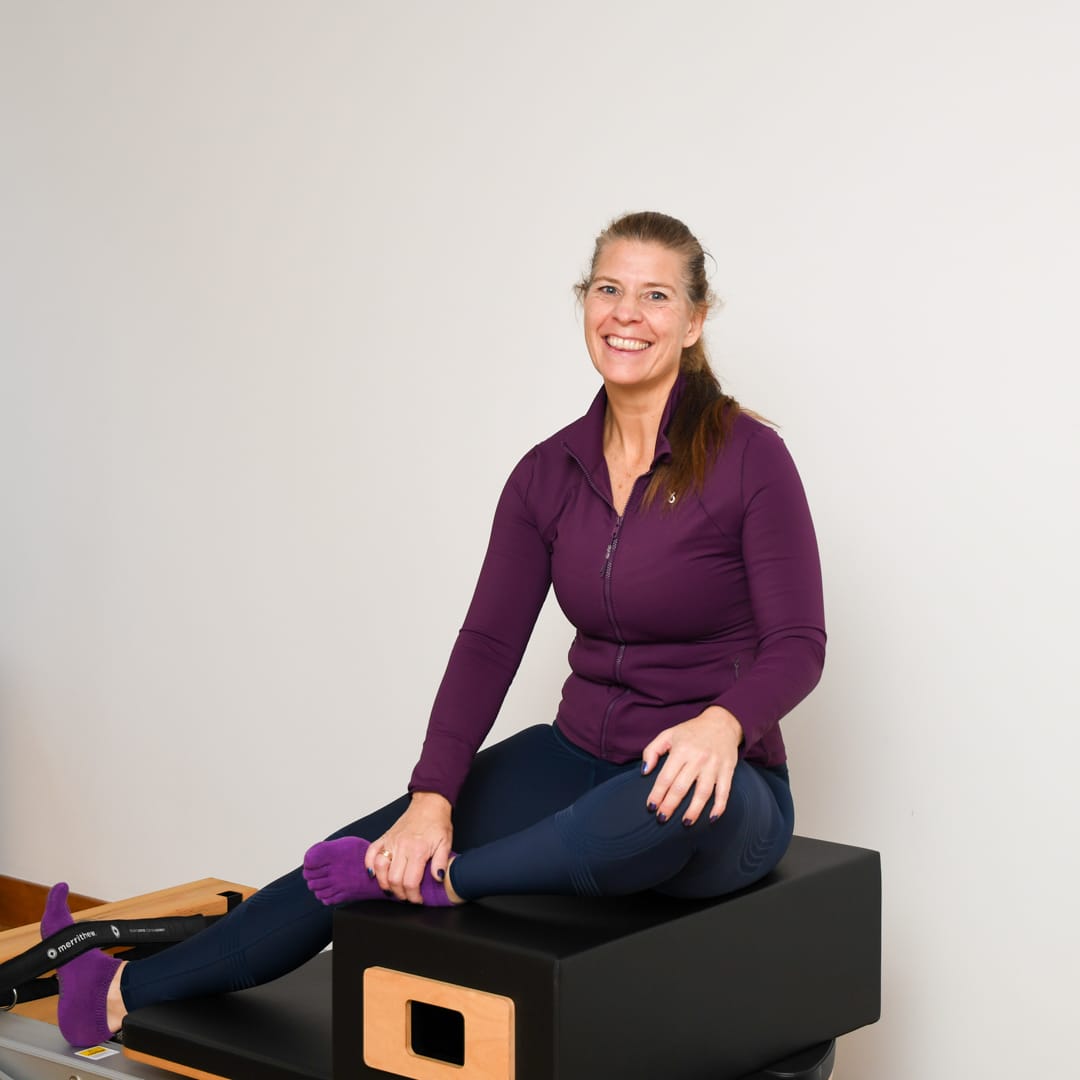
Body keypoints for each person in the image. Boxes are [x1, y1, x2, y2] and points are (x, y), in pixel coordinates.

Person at [42, 210, 826, 1048]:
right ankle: (114, 991)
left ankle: (448, 881)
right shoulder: (547, 474)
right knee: (361, 849)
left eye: (656, 295)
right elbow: (487, 647)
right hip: (581, 756)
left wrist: (721, 724)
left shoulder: (749, 458)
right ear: (585, 302)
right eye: (608, 289)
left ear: (694, 320)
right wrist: (430, 800)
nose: (626, 313)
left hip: (720, 787)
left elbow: (798, 644)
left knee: (651, 810)